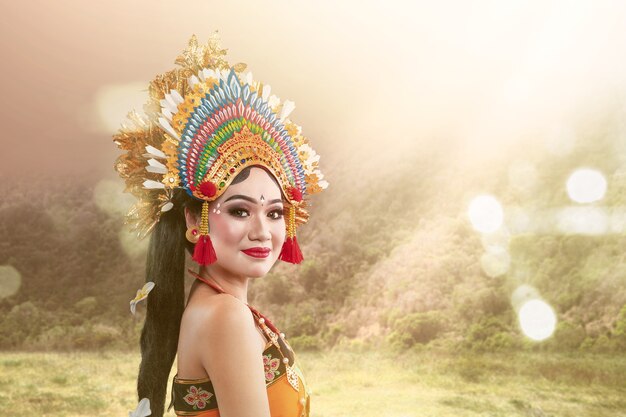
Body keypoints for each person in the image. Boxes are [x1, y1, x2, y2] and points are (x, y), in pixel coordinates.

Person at [113, 34, 328, 417]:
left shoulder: (211, 302)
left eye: (275, 212)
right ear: (194, 221)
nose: (263, 230)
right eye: (240, 211)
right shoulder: (226, 316)